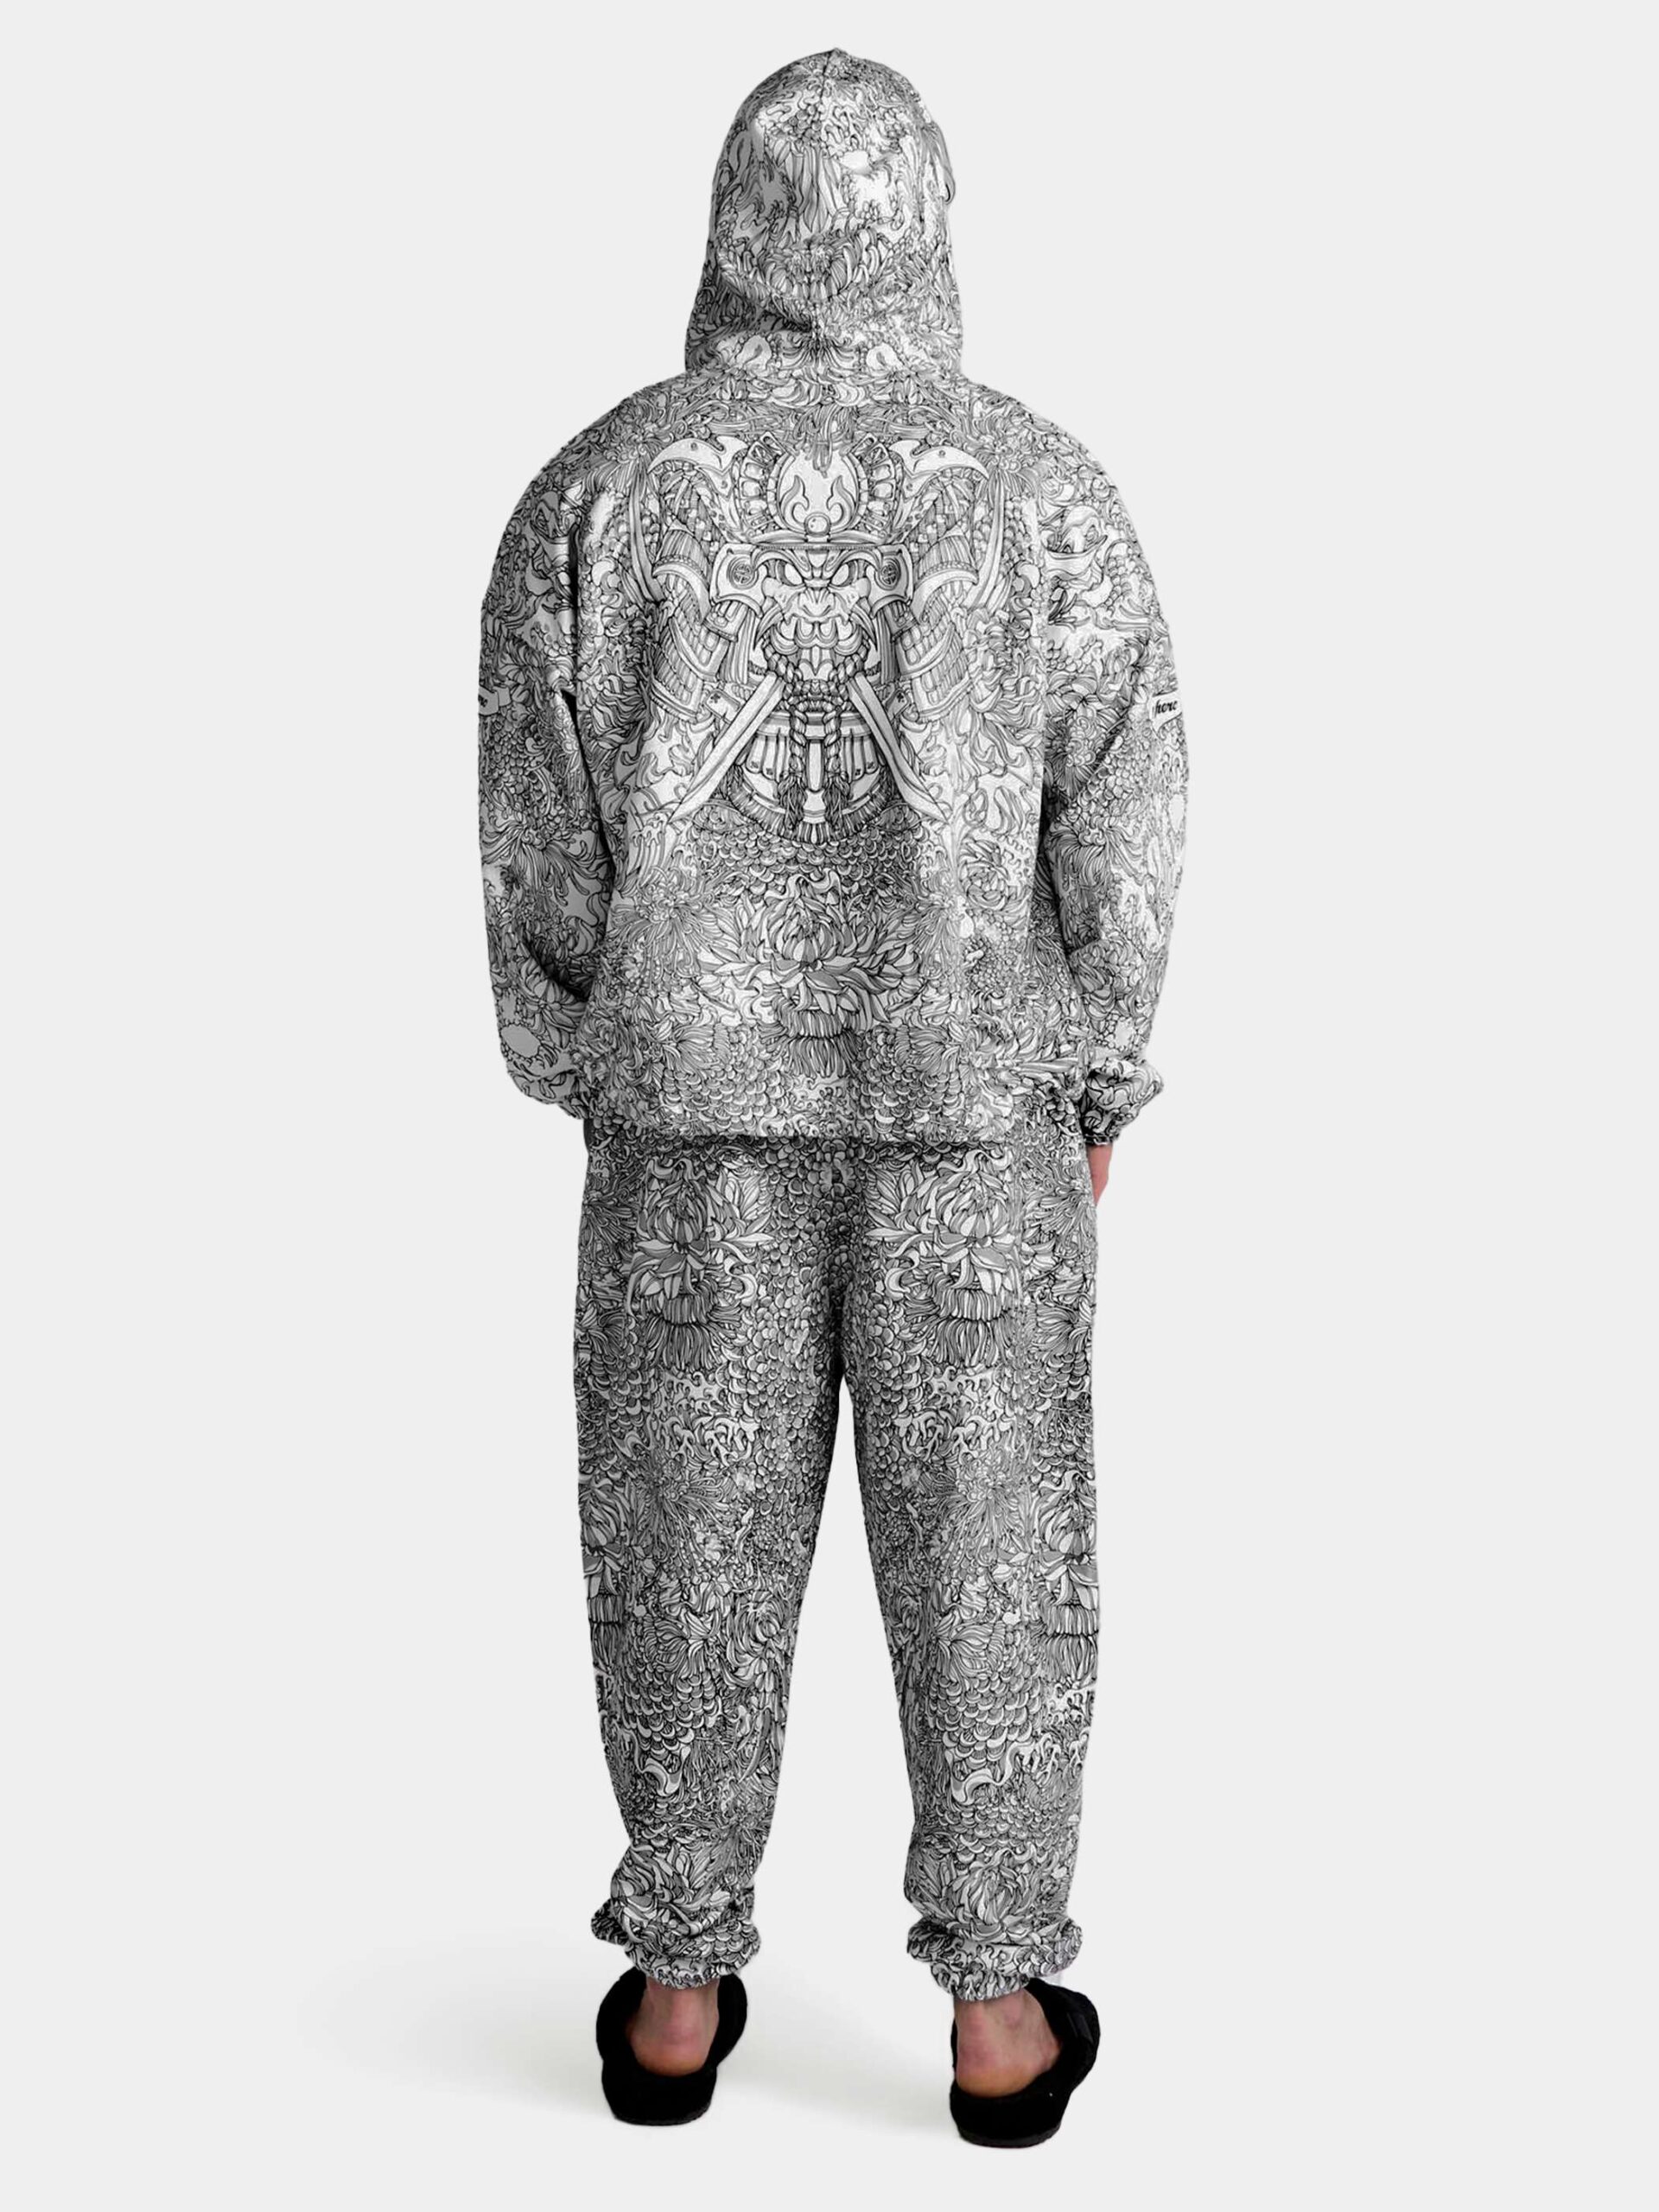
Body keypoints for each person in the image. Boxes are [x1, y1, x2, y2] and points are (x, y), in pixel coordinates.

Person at [476, 48, 1187, 2145]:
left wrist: (599, 1049)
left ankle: (676, 1985)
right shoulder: (1038, 491)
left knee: (681, 1540)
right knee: (997, 1556)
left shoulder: (598, 492)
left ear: (729, 228)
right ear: (929, 227)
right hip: (975, 1123)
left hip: (689, 1126)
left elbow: (538, 827)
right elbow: (1128, 801)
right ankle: (998, 2017)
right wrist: (1095, 1070)